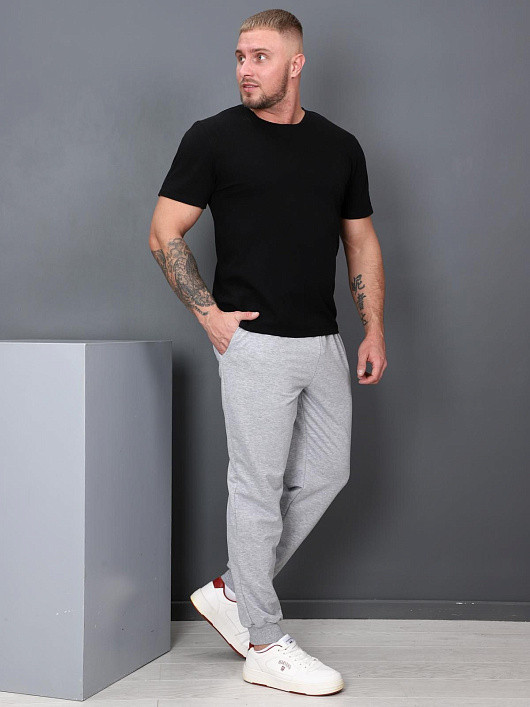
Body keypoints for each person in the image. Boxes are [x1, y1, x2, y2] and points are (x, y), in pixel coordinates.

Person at [149, 8, 387, 697]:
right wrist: (208, 314)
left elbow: (361, 240)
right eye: (239, 57)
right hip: (253, 342)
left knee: (327, 473)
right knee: (255, 489)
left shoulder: (340, 147)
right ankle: (262, 639)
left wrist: (373, 328)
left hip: (323, 340)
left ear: (295, 63)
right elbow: (164, 230)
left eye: (259, 57)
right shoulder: (213, 138)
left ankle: (233, 591)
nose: (245, 69)